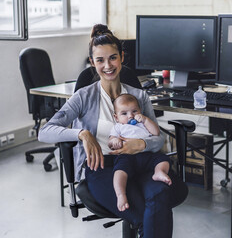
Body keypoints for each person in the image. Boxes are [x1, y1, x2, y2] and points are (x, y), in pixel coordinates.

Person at [38, 24, 186, 238]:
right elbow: (45, 131)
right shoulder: (83, 96)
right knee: (147, 213)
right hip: (103, 167)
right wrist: (82, 134)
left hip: (142, 162)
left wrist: (141, 144)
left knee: (160, 194)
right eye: (100, 60)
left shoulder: (139, 96)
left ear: (122, 57)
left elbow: (158, 138)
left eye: (113, 58)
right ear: (92, 62)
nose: (107, 65)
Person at [109, 93, 171, 212]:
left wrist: (146, 120)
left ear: (140, 110)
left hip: (146, 154)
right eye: (124, 113)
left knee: (163, 159)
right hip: (127, 157)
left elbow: (156, 133)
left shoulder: (142, 123)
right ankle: (121, 194)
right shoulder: (118, 127)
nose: (131, 116)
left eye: (134, 111)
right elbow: (110, 141)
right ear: (116, 117)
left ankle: (159, 172)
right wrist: (115, 140)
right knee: (119, 171)